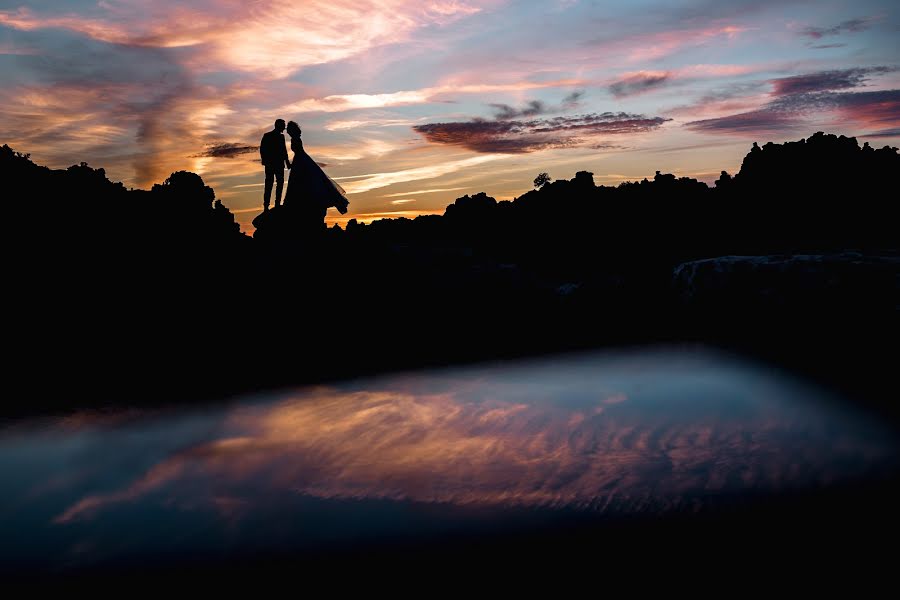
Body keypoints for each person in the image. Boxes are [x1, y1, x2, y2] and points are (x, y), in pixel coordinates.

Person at [283, 121, 349, 229]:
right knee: (305, 182)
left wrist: (293, 163)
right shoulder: (295, 138)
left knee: (303, 182)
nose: (287, 131)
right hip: (300, 161)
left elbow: (298, 151)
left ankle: (301, 202)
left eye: (288, 129)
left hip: (300, 161)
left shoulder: (295, 139)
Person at [259, 119, 291, 211]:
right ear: (278, 126)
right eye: (283, 126)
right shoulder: (267, 135)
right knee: (269, 183)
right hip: (271, 164)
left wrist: (287, 162)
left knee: (278, 183)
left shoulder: (281, 137)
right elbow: (262, 149)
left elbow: (284, 151)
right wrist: (265, 160)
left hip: (278, 163)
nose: (284, 128)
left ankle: (276, 203)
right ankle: (266, 205)